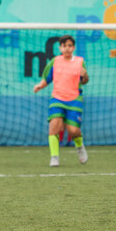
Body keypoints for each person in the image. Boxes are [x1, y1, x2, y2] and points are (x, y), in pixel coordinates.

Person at [33, 35, 89, 167]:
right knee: (54, 125)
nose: (67, 48)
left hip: (74, 99)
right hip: (57, 98)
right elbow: (47, 78)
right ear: (60, 48)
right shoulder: (55, 61)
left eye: (70, 46)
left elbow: (85, 81)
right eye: (64, 46)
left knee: (73, 131)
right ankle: (54, 157)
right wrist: (40, 85)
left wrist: (85, 75)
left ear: (73, 48)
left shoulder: (80, 61)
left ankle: (80, 147)